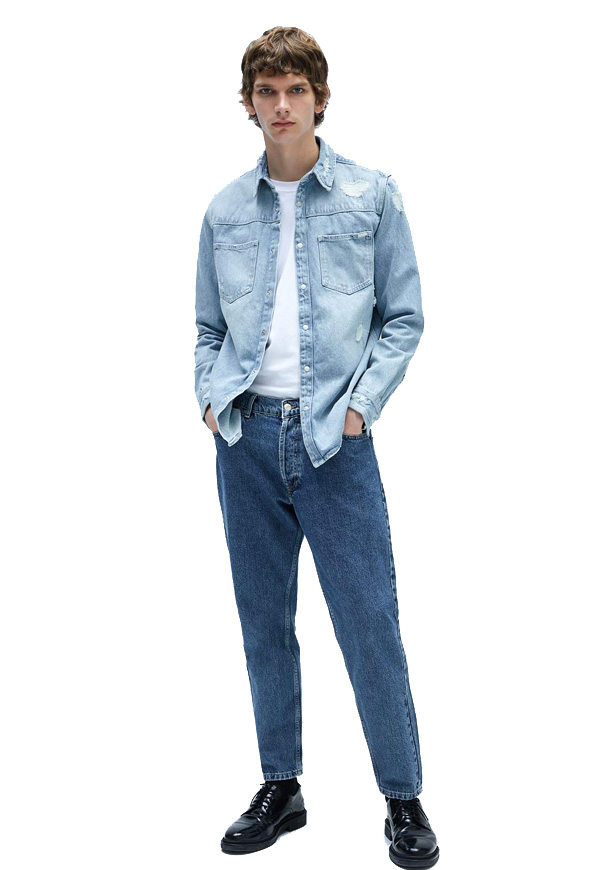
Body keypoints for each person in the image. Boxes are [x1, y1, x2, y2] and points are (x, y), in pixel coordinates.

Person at [194, 25, 440, 868]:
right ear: (248, 104)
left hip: (336, 443)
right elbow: (207, 327)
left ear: (320, 99)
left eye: (295, 90)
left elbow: (403, 318)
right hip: (246, 441)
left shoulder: (371, 196)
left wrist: (361, 409)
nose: (282, 105)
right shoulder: (225, 210)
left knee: (370, 624)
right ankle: (282, 786)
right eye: (267, 92)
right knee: (264, 623)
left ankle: (402, 799)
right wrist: (211, 399)